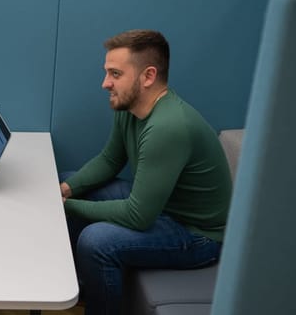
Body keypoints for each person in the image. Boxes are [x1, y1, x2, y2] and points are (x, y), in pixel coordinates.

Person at [60, 29, 232, 315]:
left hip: (197, 234)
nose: (105, 83)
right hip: (162, 206)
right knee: (68, 179)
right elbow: (109, 160)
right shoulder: (129, 107)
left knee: (96, 241)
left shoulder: (168, 127)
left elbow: (138, 216)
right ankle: (89, 287)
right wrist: (66, 191)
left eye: (115, 74)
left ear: (148, 76)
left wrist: (67, 206)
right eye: (106, 73)